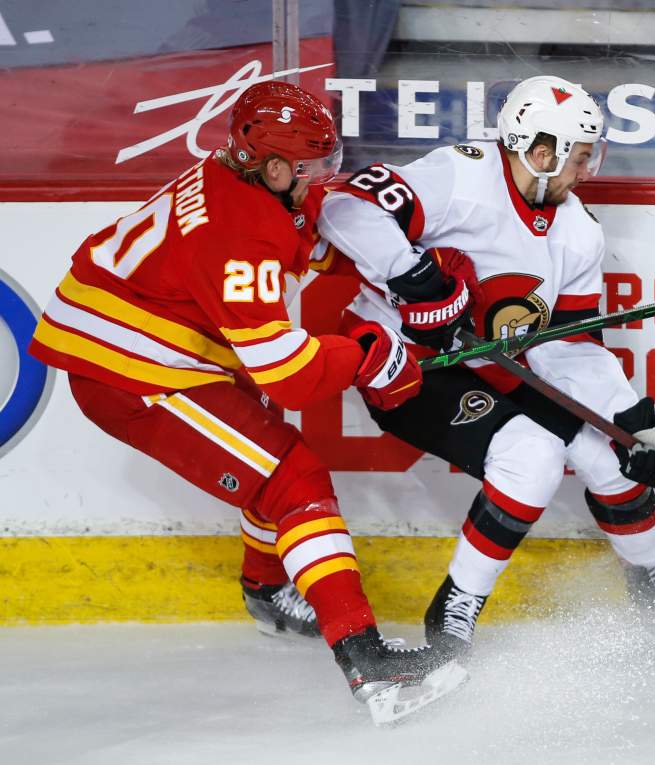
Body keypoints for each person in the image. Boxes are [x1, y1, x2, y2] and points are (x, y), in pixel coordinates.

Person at [27, 80, 466, 717]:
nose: (325, 175)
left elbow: (312, 248)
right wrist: (372, 355)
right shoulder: (236, 232)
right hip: (133, 373)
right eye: (314, 165)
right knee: (294, 478)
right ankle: (371, 668)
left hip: (163, 345)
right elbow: (285, 373)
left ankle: (266, 594)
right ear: (275, 165)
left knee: (275, 464)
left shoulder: (244, 181)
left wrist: (410, 273)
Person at [317, 74, 655, 660]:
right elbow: (342, 206)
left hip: (498, 361)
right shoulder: (462, 176)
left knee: (611, 454)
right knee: (532, 460)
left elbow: (572, 347)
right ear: (540, 154)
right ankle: (455, 607)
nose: (585, 171)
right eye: (579, 156)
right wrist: (406, 271)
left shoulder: (578, 232)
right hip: (411, 361)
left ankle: (650, 577)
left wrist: (635, 420)